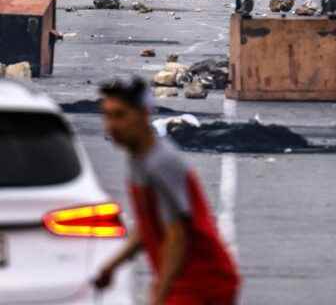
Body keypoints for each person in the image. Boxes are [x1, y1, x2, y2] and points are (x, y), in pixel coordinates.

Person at [93, 77, 240, 305]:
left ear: (143, 115)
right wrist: (111, 266)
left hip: (200, 281)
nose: (111, 126)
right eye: (108, 116)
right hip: (183, 280)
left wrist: (161, 292)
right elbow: (149, 224)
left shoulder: (160, 163)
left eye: (120, 115)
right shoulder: (139, 159)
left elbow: (177, 234)